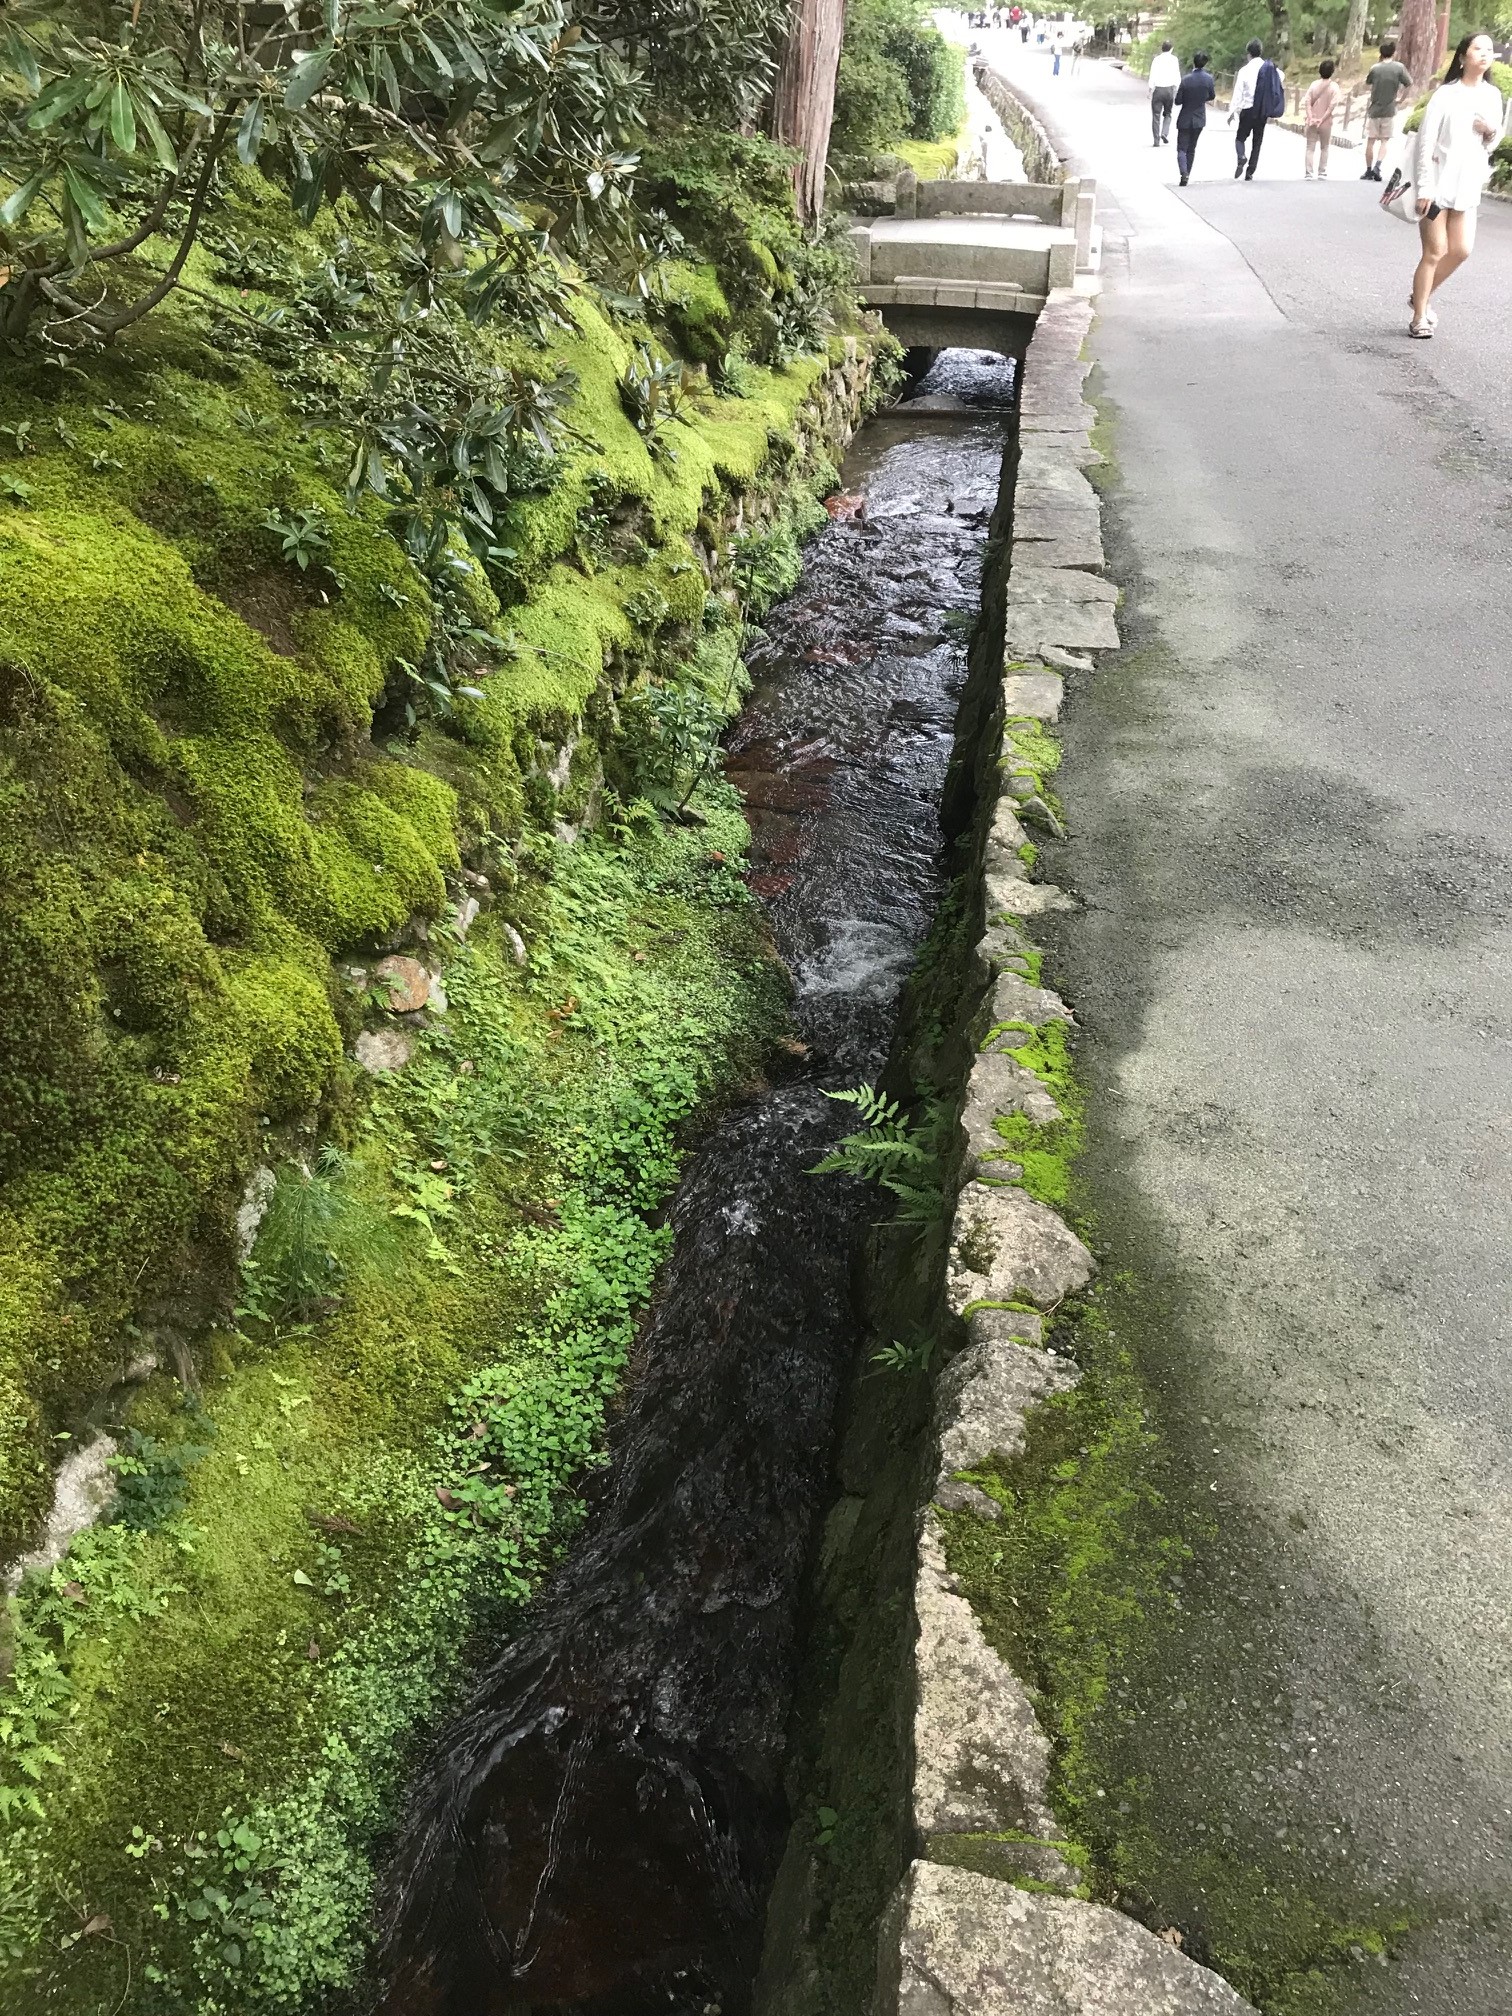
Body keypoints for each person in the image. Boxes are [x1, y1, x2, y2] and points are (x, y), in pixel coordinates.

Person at [1408, 30, 1507, 337]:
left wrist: (1489, 131)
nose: (1485, 53)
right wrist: (1424, 187)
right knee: (1435, 250)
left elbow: (1493, 142)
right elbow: (1425, 142)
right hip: (1437, 186)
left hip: (1467, 186)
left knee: (1461, 250)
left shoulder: (1492, 96)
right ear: (1463, 56)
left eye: (1489, 49)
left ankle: (1419, 297)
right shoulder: (1445, 94)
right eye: (1478, 48)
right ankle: (1419, 318)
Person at [1228, 38, 1283, 179]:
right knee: (1257, 141)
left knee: (1240, 138)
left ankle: (1241, 156)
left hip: (1247, 109)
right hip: (1262, 109)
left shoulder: (1244, 70)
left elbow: (1238, 93)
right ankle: (1250, 172)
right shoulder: (1269, 67)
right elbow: (1281, 76)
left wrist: (1232, 111)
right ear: (1261, 51)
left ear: (1248, 54)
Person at [1363, 37, 1414, 180]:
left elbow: (1368, 84)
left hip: (1374, 108)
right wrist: (1401, 99)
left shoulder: (1375, 68)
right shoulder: (1399, 68)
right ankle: (1377, 166)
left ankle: (1368, 170)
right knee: (1384, 141)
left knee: (1370, 141)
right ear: (1393, 53)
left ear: (1381, 53)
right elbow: (1409, 83)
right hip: (1390, 108)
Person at [1174, 50, 1216, 184]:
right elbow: (1212, 96)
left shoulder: (1186, 80)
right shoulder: (1208, 79)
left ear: (1194, 62)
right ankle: (1188, 174)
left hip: (1185, 117)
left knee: (1181, 148)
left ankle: (1183, 172)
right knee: (1192, 148)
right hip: (1199, 118)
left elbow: (1178, 100)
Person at [1303, 58, 1341, 178]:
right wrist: (1322, 118)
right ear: (1332, 71)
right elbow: (1332, 106)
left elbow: (1307, 101)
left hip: (1312, 120)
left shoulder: (1313, 85)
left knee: (1310, 147)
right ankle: (1322, 172)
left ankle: (1308, 172)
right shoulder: (1334, 87)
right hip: (1326, 122)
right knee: (1325, 147)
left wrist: (1310, 117)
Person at [1149, 39, 1181, 146]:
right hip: (1169, 90)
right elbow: (1177, 75)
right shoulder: (1174, 59)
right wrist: (1176, 88)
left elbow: (1152, 75)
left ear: (1161, 48)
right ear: (1171, 49)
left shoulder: (1156, 60)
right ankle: (1164, 133)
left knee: (1156, 115)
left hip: (1158, 90)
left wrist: (1150, 89)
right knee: (1168, 114)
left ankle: (1156, 140)